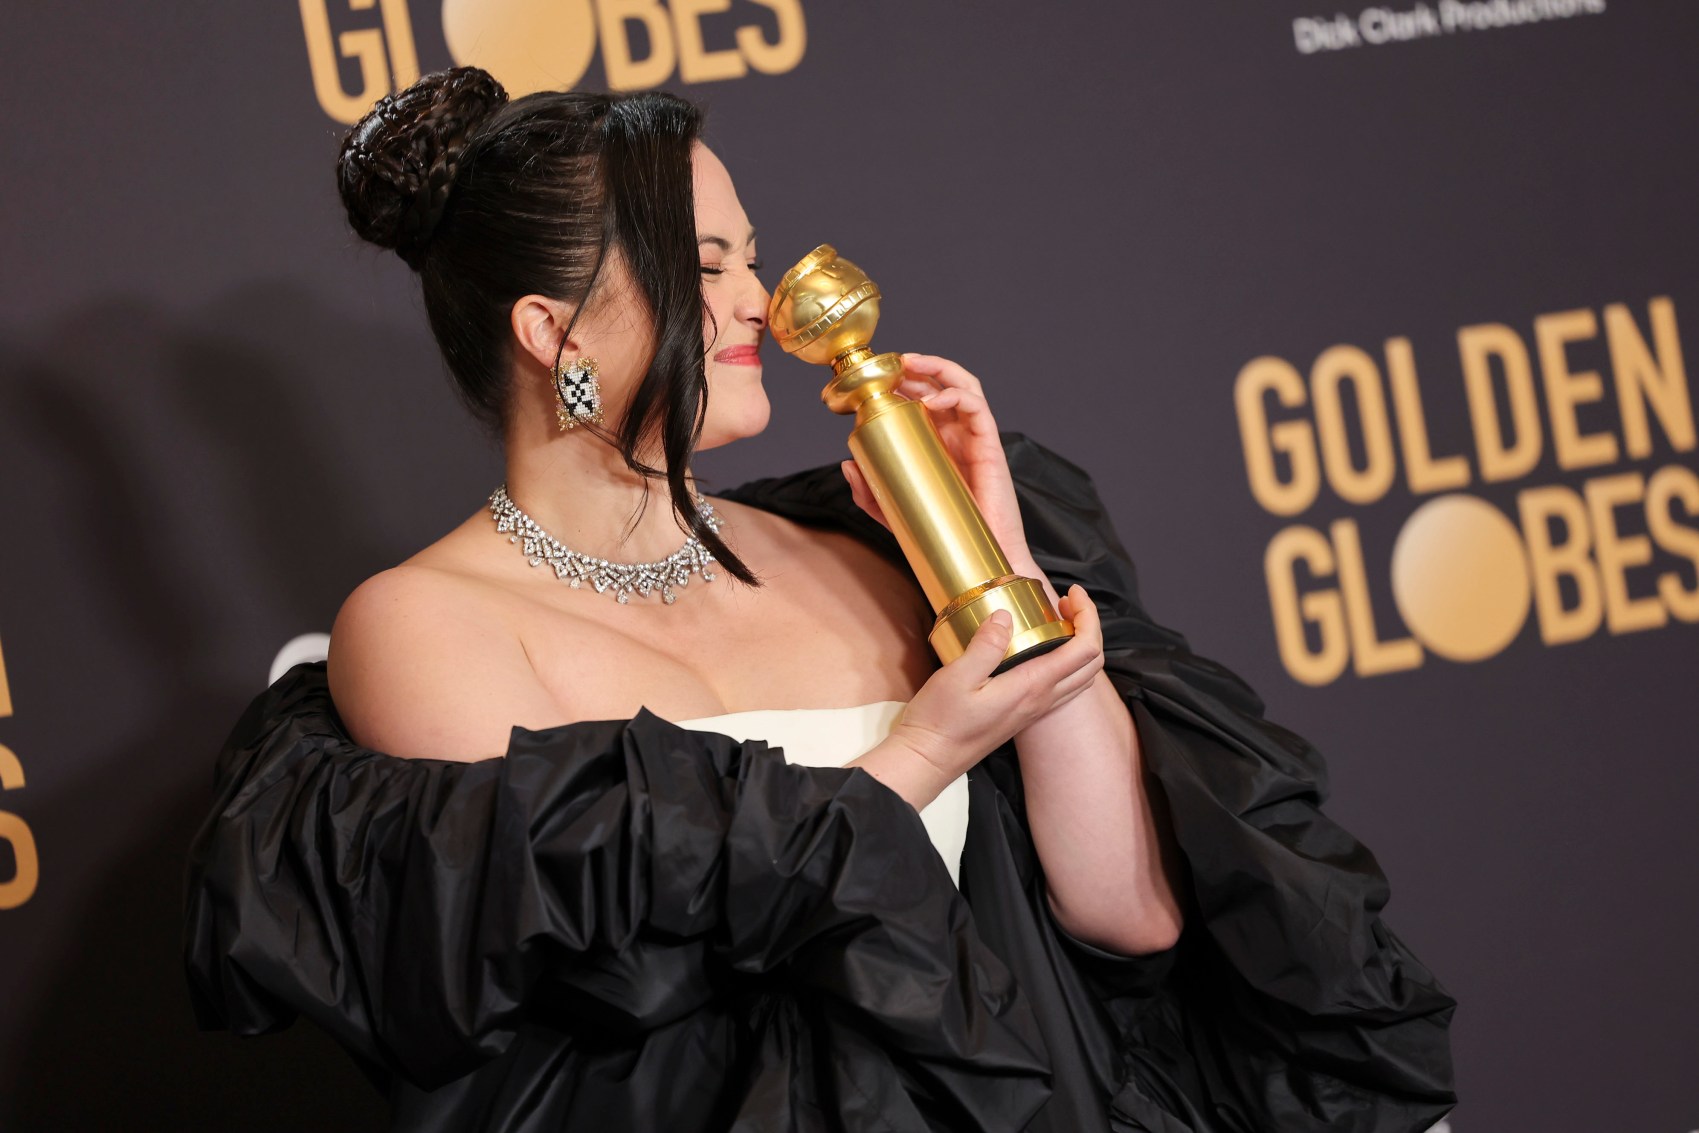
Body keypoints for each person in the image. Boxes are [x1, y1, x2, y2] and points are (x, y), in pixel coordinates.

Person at [183, 67, 1458, 1132]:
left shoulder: (853, 546)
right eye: (709, 260)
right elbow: (613, 985)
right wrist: (918, 755)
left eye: (752, 251)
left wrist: (987, 555)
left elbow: (1125, 910)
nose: (760, 297)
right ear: (552, 331)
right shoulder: (426, 624)